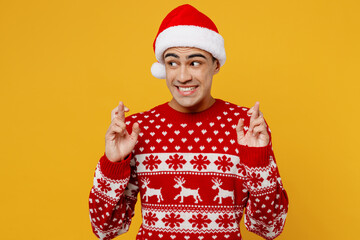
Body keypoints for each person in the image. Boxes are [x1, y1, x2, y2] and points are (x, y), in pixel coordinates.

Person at [89, 4, 289, 240]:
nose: (183, 76)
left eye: (195, 62)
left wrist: (258, 161)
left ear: (215, 65)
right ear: (163, 68)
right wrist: (113, 163)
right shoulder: (135, 130)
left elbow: (270, 228)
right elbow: (106, 229)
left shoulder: (246, 126)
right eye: (173, 63)